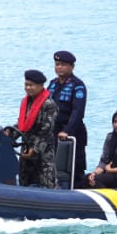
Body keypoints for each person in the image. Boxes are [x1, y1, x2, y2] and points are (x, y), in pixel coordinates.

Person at [2, 69, 58, 188]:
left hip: (43, 152)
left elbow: (46, 131)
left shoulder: (49, 105)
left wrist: (35, 149)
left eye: (31, 85)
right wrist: (8, 134)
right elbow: (21, 124)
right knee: (24, 184)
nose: (28, 88)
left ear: (41, 86)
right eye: (26, 85)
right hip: (26, 149)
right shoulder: (25, 102)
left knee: (48, 186)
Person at [46, 50, 88, 189]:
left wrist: (67, 131)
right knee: (53, 164)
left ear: (71, 67)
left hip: (72, 132)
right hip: (53, 131)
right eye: (57, 64)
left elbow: (77, 112)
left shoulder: (77, 86)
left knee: (75, 166)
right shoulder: (52, 84)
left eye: (63, 64)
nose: (59, 67)